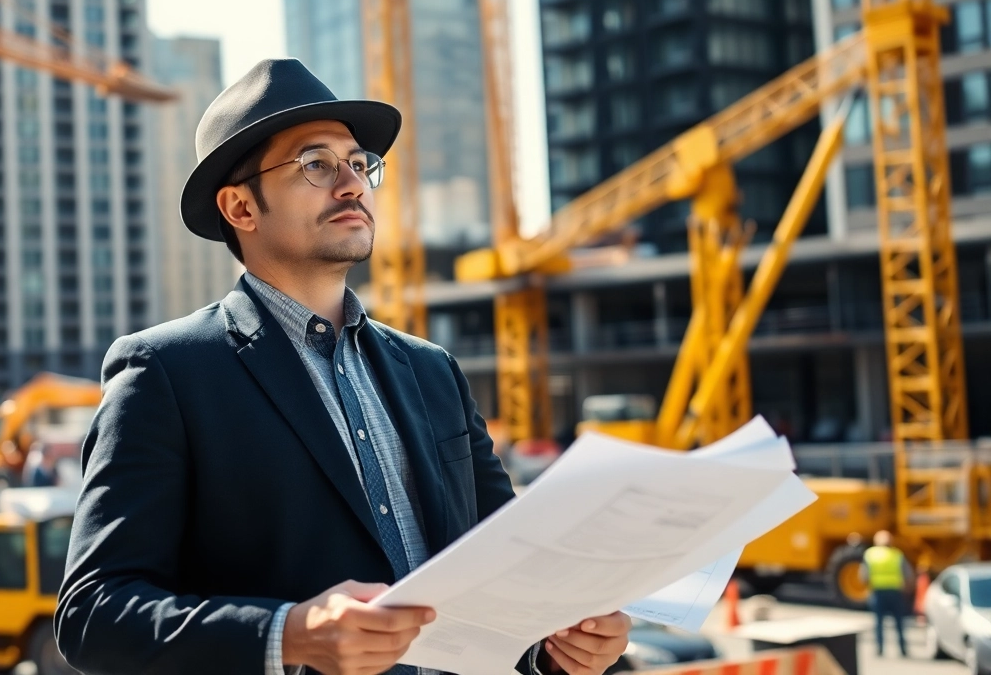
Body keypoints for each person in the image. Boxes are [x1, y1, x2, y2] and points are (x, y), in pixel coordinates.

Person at [55, 59, 632, 675]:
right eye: (316, 165)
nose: (353, 184)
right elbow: (93, 613)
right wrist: (287, 635)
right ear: (240, 208)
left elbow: (503, 572)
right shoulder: (166, 372)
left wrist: (561, 647)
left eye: (359, 164)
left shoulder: (433, 371)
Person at [860, 530, 914, 657]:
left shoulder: (870, 554)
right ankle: (902, 649)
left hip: (878, 593)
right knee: (899, 623)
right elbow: (908, 575)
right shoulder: (897, 555)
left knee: (879, 623)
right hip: (895, 593)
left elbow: (863, 576)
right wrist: (907, 589)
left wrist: (869, 587)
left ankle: (879, 649)